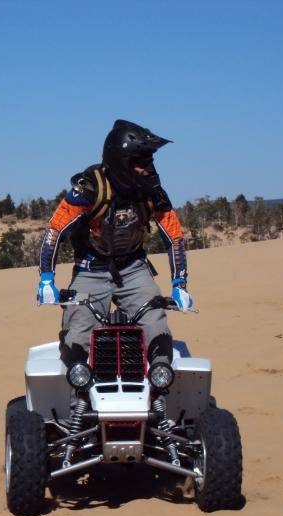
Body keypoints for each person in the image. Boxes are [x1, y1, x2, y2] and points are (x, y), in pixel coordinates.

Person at [36, 119, 193, 368]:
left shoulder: (152, 191)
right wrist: (46, 278)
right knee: (76, 332)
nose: (148, 168)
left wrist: (180, 284)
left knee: (155, 323)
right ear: (122, 162)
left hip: (133, 268)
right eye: (141, 163)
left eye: (150, 161)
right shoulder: (89, 188)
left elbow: (173, 236)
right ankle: (78, 398)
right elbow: (55, 230)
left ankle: (159, 389)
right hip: (91, 269)